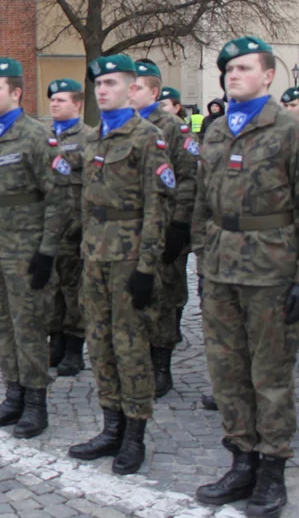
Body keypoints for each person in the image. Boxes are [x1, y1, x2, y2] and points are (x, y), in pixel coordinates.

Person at [191, 37, 299, 516]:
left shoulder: (291, 129)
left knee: (269, 376)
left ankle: (273, 470)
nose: (234, 74)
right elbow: (201, 204)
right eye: (229, 68)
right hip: (221, 266)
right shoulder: (213, 131)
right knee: (227, 373)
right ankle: (241, 461)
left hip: (272, 270)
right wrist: (201, 261)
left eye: (245, 68)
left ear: (268, 75)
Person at [68, 54, 170, 476]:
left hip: (129, 258)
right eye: (98, 84)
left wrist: (148, 267)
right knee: (100, 343)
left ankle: (134, 434)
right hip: (95, 256)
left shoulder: (148, 137)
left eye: (111, 83)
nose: (102, 90)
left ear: (132, 89)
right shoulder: (92, 140)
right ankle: (111, 426)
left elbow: (157, 206)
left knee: (130, 346)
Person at [0, 59, 67, 436]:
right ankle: (13, 393)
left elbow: (57, 197)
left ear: (15, 93)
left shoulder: (37, 136)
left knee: (29, 326)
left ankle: (35, 400)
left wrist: (47, 250)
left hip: (26, 250)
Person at [131, 62, 197, 399]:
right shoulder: (121, 126)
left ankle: (161, 365)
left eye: (137, 87)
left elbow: (187, 178)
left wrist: (180, 225)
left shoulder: (172, 127)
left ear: (154, 93)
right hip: (130, 231)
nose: (130, 93)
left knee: (165, 296)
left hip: (166, 226)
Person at [46, 78, 96, 378]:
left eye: (61, 100)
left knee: (74, 288)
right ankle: (56, 340)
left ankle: (75, 347)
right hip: (49, 226)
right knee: (51, 288)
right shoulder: (43, 136)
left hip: (76, 225)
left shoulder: (89, 137)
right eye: (52, 99)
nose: (54, 103)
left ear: (77, 104)